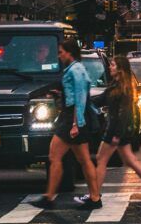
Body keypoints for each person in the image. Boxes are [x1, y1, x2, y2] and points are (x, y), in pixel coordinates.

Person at [76, 56, 141, 205]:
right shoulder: (115, 85)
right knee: (130, 160)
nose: (110, 67)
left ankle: (94, 195)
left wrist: (116, 134)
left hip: (116, 130)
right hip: (119, 130)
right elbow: (102, 99)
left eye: (113, 65)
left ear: (121, 69)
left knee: (101, 159)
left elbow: (124, 113)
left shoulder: (124, 88)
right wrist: (83, 98)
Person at [35, 38, 102, 210]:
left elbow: (80, 98)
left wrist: (75, 124)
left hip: (72, 118)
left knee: (55, 156)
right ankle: (94, 197)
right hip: (73, 117)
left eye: (61, 52)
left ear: (69, 53)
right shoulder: (73, 69)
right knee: (83, 159)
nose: (59, 55)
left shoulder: (76, 70)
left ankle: (49, 197)